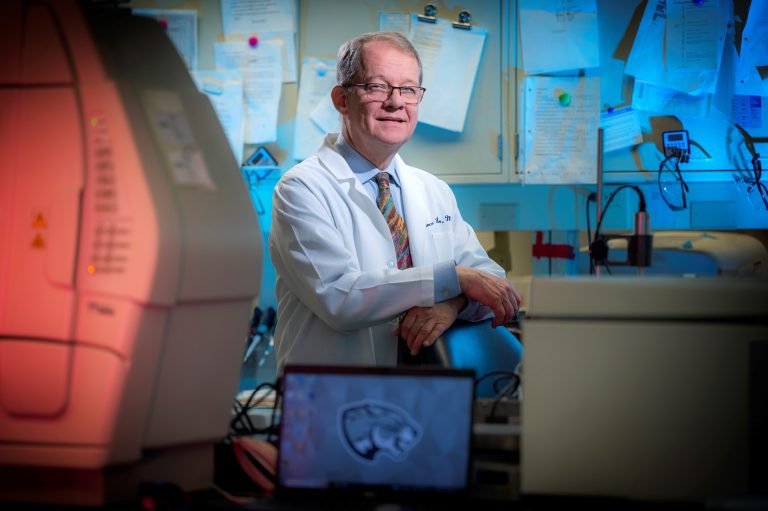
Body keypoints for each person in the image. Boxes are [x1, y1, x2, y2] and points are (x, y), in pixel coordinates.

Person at [269, 31, 521, 371]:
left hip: (424, 390)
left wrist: (453, 304)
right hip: (334, 392)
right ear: (341, 99)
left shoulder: (432, 190)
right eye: (377, 87)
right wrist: (455, 280)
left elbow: (492, 283)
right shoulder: (301, 188)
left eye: (408, 90)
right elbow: (340, 299)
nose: (395, 102)